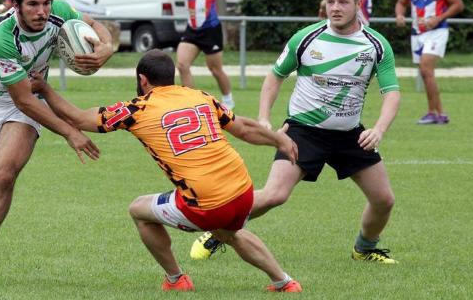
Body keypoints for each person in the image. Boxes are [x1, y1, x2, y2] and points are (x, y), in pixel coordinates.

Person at [30, 49, 303, 293]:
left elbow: (77, 118)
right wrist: (277, 139)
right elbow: (243, 128)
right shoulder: (199, 96)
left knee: (139, 210)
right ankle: (284, 281)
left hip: (206, 204)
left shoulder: (136, 109)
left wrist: (44, 87)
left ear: (143, 80)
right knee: (227, 232)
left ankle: (176, 279)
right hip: (243, 191)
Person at [191, 0, 402, 265]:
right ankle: (219, 230)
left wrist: (378, 129)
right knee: (274, 195)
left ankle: (364, 249)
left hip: (350, 134)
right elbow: (275, 76)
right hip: (304, 132)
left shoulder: (376, 45)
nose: (335, 8)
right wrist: (264, 117)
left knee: (384, 200)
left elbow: (391, 92)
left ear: (358, 3)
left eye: (343, 2)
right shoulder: (305, 38)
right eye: (330, 1)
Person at [0, 0, 114, 292]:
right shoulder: (0, 37)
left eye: (46, 3)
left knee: (4, 176)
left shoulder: (59, 13)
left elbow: (97, 27)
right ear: (14, 4)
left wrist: (106, 47)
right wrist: (70, 132)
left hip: (27, 101)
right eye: (32, 5)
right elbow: (23, 99)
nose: (41, 12)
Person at [395, 0, 464, 125]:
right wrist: (399, 15)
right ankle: (435, 114)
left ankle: (438, 113)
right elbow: (401, 2)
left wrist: (438, 18)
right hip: (417, 33)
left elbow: (458, 4)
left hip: (437, 31)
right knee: (426, 73)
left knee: (426, 68)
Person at [165, 0, 235, 109]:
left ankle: (228, 100)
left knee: (215, 69)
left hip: (211, 29)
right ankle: (192, 103)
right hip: (192, 29)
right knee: (182, 65)